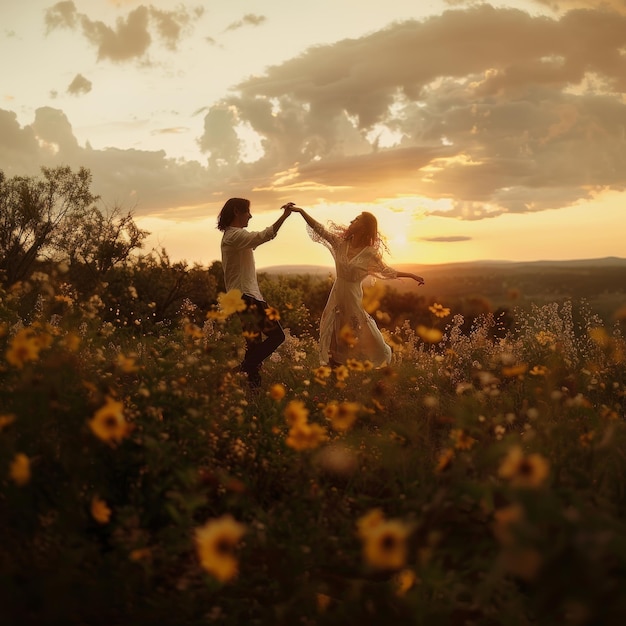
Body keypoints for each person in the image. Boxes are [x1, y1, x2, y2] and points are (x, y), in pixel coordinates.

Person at [290, 207, 425, 367]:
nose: (351, 222)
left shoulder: (369, 253)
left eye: (356, 219)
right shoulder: (340, 244)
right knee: (333, 331)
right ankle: (335, 372)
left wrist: (411, 275)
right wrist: (301, 211)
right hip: (337, 294)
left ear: (364, 227)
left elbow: (387, 271)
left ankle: (380, 357)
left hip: (353, 297)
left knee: (361, 332)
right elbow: (319, 229)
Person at [217, 197, 294, 388]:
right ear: (237, 211)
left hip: (243, 297)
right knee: (277, 336)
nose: (250, 216)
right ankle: (243, 368)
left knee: (254, 346)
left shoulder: (234, 237)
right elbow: (263, 236)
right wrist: (284, 217)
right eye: (247, 212)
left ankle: (253, 394)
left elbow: (256, 240)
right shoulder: (234, 236)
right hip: (247, 295)